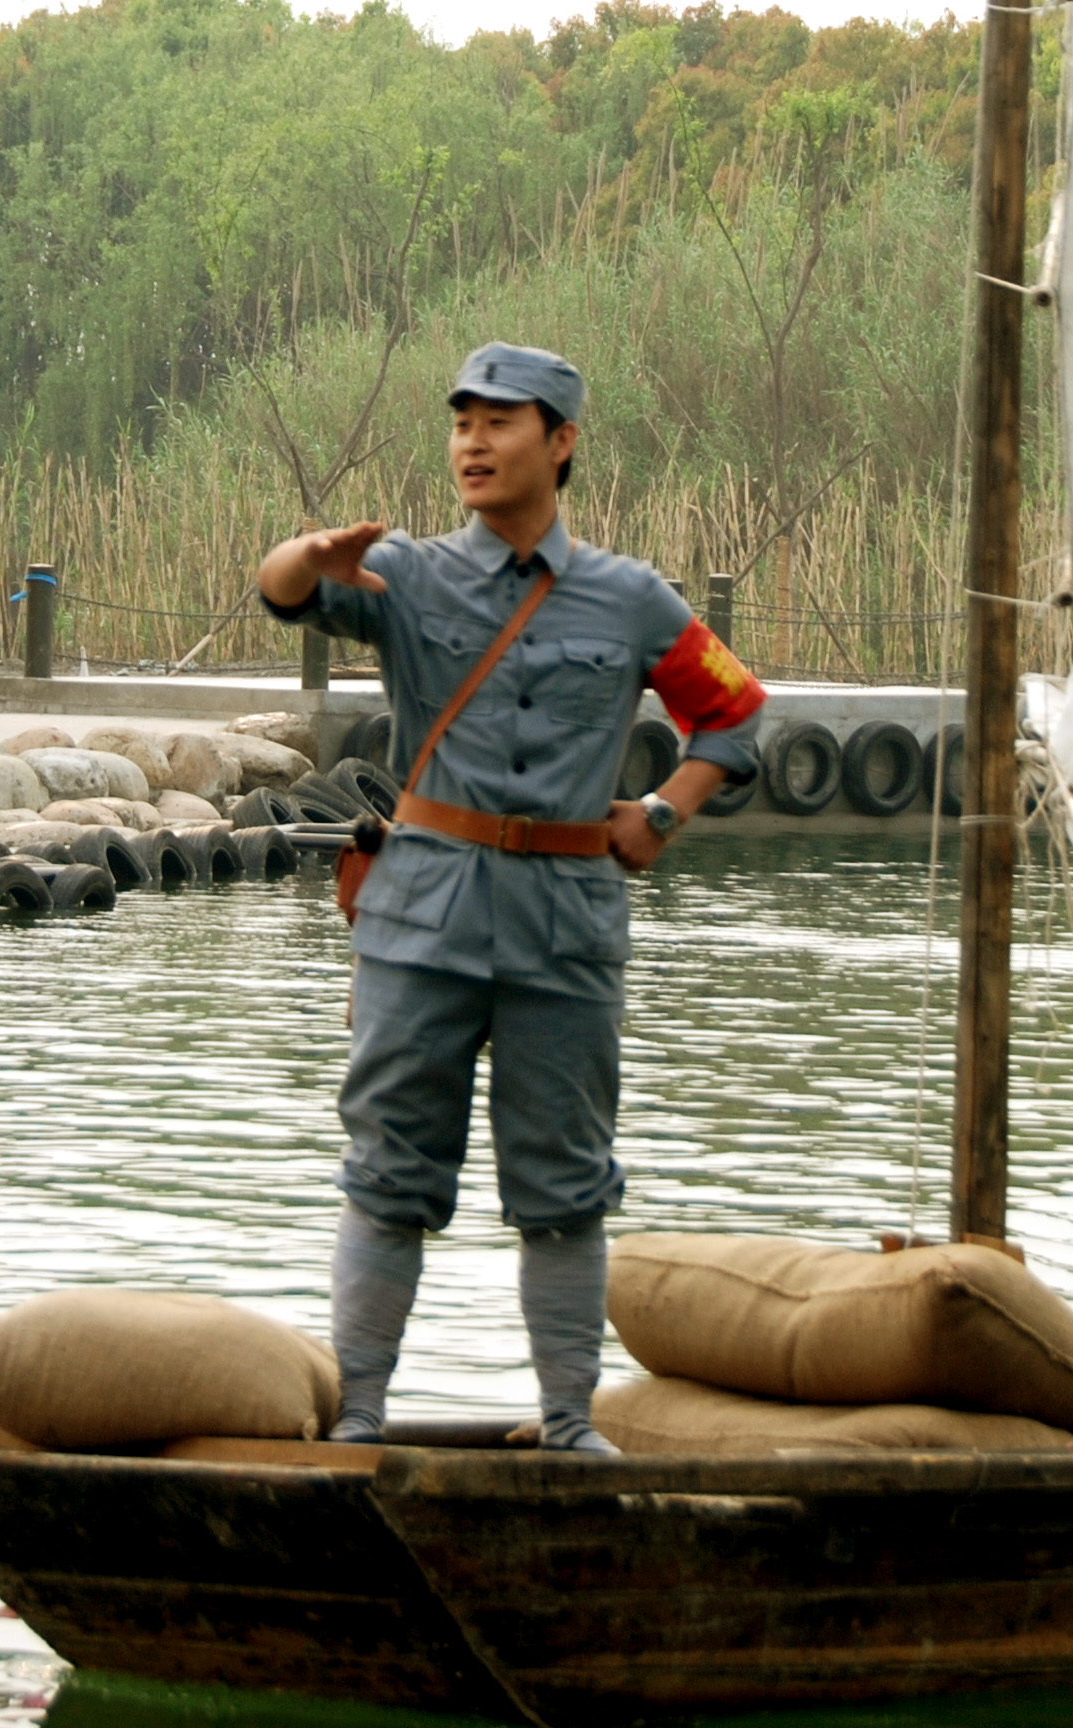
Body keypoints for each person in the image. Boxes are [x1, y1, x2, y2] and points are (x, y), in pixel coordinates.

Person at [256, 343, 766, 1453]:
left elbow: (734, 715)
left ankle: (568, 1424)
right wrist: (308, 551)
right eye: (460, 425)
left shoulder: (629, 599)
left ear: (562, 441)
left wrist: (664, 811)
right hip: (421, 919)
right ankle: (358, 1417)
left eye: (499, 423)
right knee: (389, 1169)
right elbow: (279, 593)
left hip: (565, 926)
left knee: (566, 1186)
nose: (472, 444)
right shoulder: (406, 573)